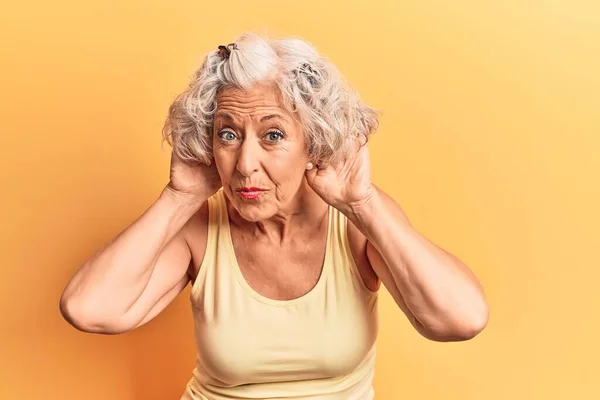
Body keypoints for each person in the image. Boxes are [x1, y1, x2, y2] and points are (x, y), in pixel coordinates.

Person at [59, 32, 489, 400]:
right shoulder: (200, 227)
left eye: (273, 135)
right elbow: (90, 310)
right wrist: (178, 196)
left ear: (314, 144)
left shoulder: (356, 222)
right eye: (228, 134)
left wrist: (363, 205)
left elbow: (460, 320)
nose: (245, 163)